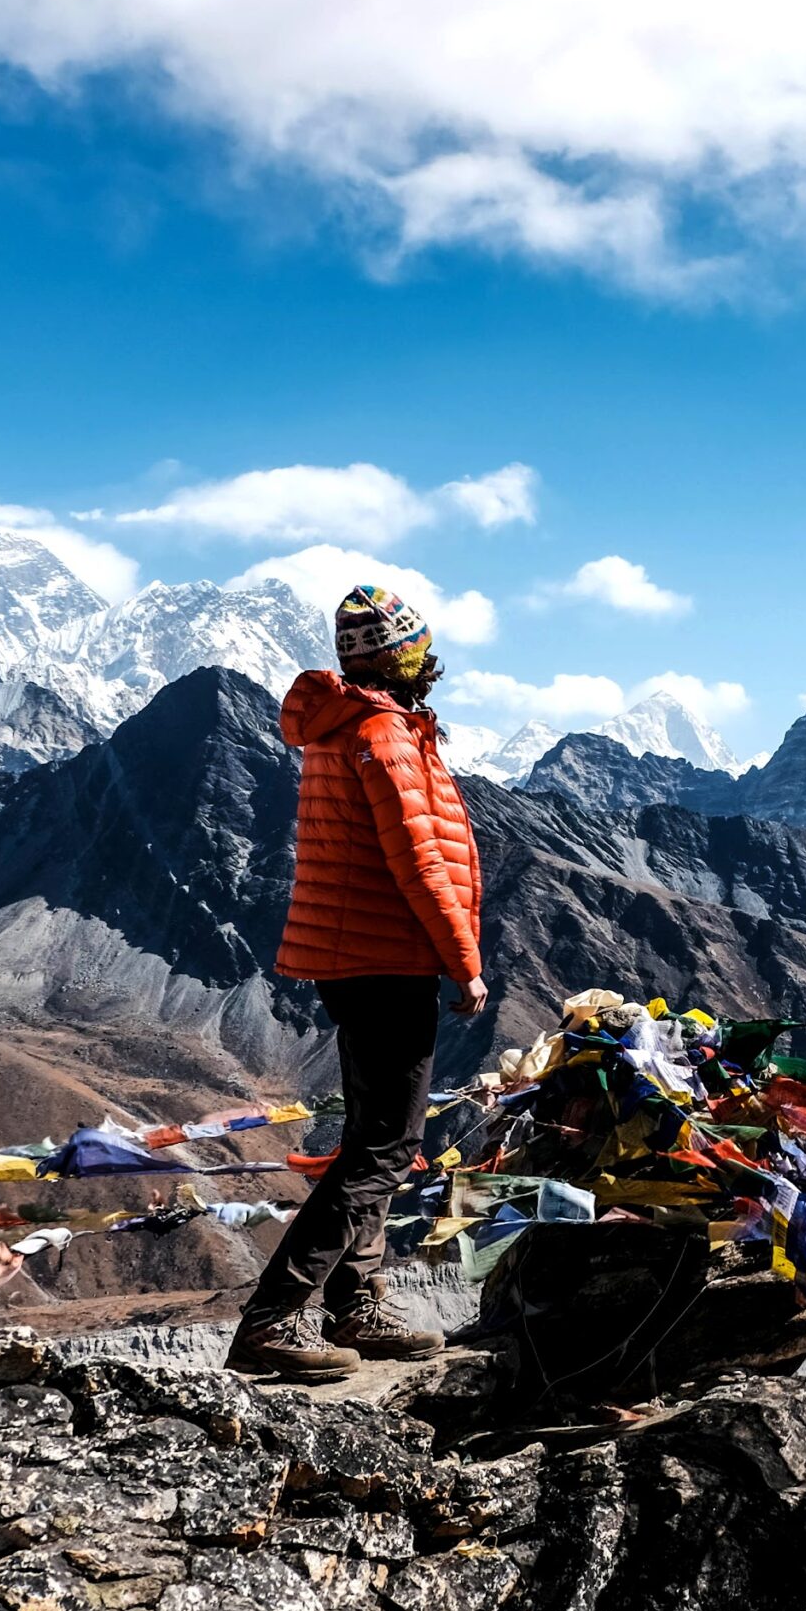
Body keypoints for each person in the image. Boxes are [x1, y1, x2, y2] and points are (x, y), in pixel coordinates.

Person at [227, 585, 486, 1381]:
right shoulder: (385, 734)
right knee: (387, 1144)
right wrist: (464, 961)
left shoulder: (349, 729)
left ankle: (358, 1299)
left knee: (374, 1133)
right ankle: (273, 1318)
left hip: (355, 957)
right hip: (388, 957)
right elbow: (418, 861)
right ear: (407, 657)